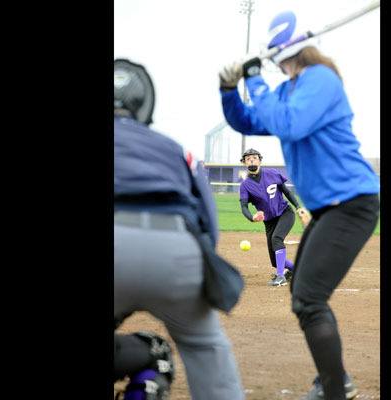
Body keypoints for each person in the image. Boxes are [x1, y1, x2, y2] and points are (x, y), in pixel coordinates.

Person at [218, 10, 380, 400]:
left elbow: (289, 124)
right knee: (303, 295)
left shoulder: (320, 81)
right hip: (331, 208)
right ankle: (334, 378)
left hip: (353, 202)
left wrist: (255, 79)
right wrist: (227, 89)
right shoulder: (288, 93)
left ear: (286, 53)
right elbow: (249, 121)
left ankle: (334, 386)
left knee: (308, 297)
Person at [114, 58, 244, 400]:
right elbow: (208, 222)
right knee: (206, 347)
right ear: (144, 105)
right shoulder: (175, 149)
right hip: (174, 250)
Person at [238, 147, 302, 286]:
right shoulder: (245, 185)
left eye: (254, 158)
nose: (251, 160)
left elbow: (287, 192)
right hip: (269, 221)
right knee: (274, 260)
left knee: (277, 239)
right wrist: (252, 217)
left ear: (260, 160)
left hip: (285, 213)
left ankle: (280, 277)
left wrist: (298, 207)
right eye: (248, 159)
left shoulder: (272, 173)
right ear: (244, 163)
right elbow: (244, 206)